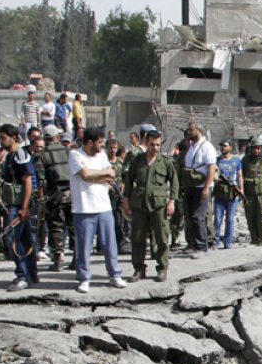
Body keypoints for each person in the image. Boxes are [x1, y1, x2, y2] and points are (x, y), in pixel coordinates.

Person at [67, 127, 126, 292]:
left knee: (109, 243)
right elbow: (85, 175)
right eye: (100, 142)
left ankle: (115, 275)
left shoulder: (102, 155)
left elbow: (112, 173)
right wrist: (103, 175)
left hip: (104, 206)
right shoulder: (75, 155)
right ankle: (84, 278)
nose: (103, 146)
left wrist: (102, 174)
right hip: (84, 208)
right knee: (84, 245)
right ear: (90, 142)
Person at [122, 130, 179, 283]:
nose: (155, 147)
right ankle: (139, 269)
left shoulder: (165, 162)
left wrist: (172, 201)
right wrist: (126, 202)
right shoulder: (137, 161)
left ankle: (162, 268)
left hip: (159, 206)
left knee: (162, 239)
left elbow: (174, 182)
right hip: (139, 205)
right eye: (152, 144)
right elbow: (128, 183)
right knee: (138, 239)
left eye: (158, 144)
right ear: (146, 143)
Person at [0, 124, 38, 291]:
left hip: (19, 205)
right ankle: (31, 273)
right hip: (13, 204)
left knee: (12, 239)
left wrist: (25, 207)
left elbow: (27, 181)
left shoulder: (20, 155)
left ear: (13, 138)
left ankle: (23, 276)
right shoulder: (9, 156)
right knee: (25, 239)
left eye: (3, 138)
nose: (1, 141)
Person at [39, 125, 74, 272]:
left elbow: (41, 179)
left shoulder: (42, 154)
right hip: (71, 194)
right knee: (73, 226)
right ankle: (77, 257)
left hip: (54, 195)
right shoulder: (68, 151)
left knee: (55, 226)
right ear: (57, 137)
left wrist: (41, 198)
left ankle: (58, 259)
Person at [181, 121, 216, 259]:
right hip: (191, 186)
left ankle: (202, 246)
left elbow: (211, 167)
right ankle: (194, 244)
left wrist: (206, 187)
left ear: (199, 131)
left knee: (198, 217)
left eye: (191, 130)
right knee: (190, 216)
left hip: (201, 186)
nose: (188, 132)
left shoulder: (207, 147)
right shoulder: (192, 147)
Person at [214, 139, 243, 249]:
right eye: (221, 146)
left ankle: (227, 242)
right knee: (217, 219)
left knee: (230, 219)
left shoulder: (236, 161)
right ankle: (215, 241)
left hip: (232, 194)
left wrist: (241, 190)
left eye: (225, 146)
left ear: (230, 147)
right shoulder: (217, 160)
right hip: (219, 193)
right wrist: (215, 180)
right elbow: (212, 172)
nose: (223, 148)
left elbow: (240, 176)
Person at [243, 138, 262, 245]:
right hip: (249, 193)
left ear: (261, 149)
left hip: (261, 193)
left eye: (258, 148)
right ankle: (254, 238)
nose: (256, 150)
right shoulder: (245, 160)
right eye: (254, 148)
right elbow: (241, 175)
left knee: (261, 216)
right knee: (250, 216)